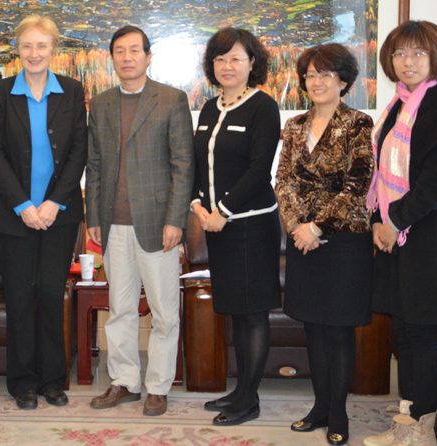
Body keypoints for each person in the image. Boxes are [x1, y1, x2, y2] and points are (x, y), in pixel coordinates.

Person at [363, 21, 437, 446]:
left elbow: (436, 185)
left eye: (417, 53)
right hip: (396, 236)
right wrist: (377, 220)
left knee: (422, 334)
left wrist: (392, 223)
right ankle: (407, 418)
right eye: (400, 53)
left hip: (425, 237)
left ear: (434, 58)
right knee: (403, 331)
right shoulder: (398, 105)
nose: (407, 61)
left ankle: (422, 429)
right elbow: (379, 175)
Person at [86, 25, 194, 416]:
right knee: (120, 309)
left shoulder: (171, 99)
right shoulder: (101, 103)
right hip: (113, 223)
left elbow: (183, 164)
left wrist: (175, 220)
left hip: (158, 224)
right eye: (120, 51)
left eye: (135, 50)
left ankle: (158, 386)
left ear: (148, 57)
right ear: (111, 58)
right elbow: (94, 164)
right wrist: (93, 216)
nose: (127, 57)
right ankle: (125, 381)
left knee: (164, 311)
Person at [0, 15, 87, 410]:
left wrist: (52, 202)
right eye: (27, 45)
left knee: (49, 292)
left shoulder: (72, 90)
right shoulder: (0, 92)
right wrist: (23, 204)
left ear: (53, 49)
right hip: (13, 215)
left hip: (59, 214)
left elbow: (78, 150)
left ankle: (52, 380)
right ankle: (22, 382)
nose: (34, 53)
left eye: (41, 45)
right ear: (17, 49)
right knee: (19, 296)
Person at [275, 43, 375, 446]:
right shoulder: (294, 125)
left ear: (344, 81)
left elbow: (358, 184)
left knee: (338, 329)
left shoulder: (359, 123)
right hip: (303, 241)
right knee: (313, 326)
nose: (316, 82)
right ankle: (319, 407)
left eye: (325, 74)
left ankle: (338, 412)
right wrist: (297, 227)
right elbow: (283, 181)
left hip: (344, 241)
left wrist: (317, 227)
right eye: (310, 75)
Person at [190, 28, 281, 426]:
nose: (227, 66)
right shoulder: (209, 108)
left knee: (253, 313)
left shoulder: (263, 107)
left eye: (236, 59)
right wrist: (197, 205)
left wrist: (222, 211)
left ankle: (248, 399)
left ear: (252, 64)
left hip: (251, 227)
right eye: (220, 59)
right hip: (216, 227)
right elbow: (199, 163)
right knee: (235, 312)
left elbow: (259, 170)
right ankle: (241, 390)